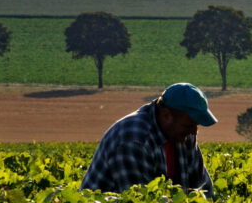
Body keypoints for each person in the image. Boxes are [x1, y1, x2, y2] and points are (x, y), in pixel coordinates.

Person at [81, 83, 217, 193]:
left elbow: (203, 188)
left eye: (196, 125)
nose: (194, 132)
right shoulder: (133, 140)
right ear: (166, 116)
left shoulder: (183, 136)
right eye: (188, 125)